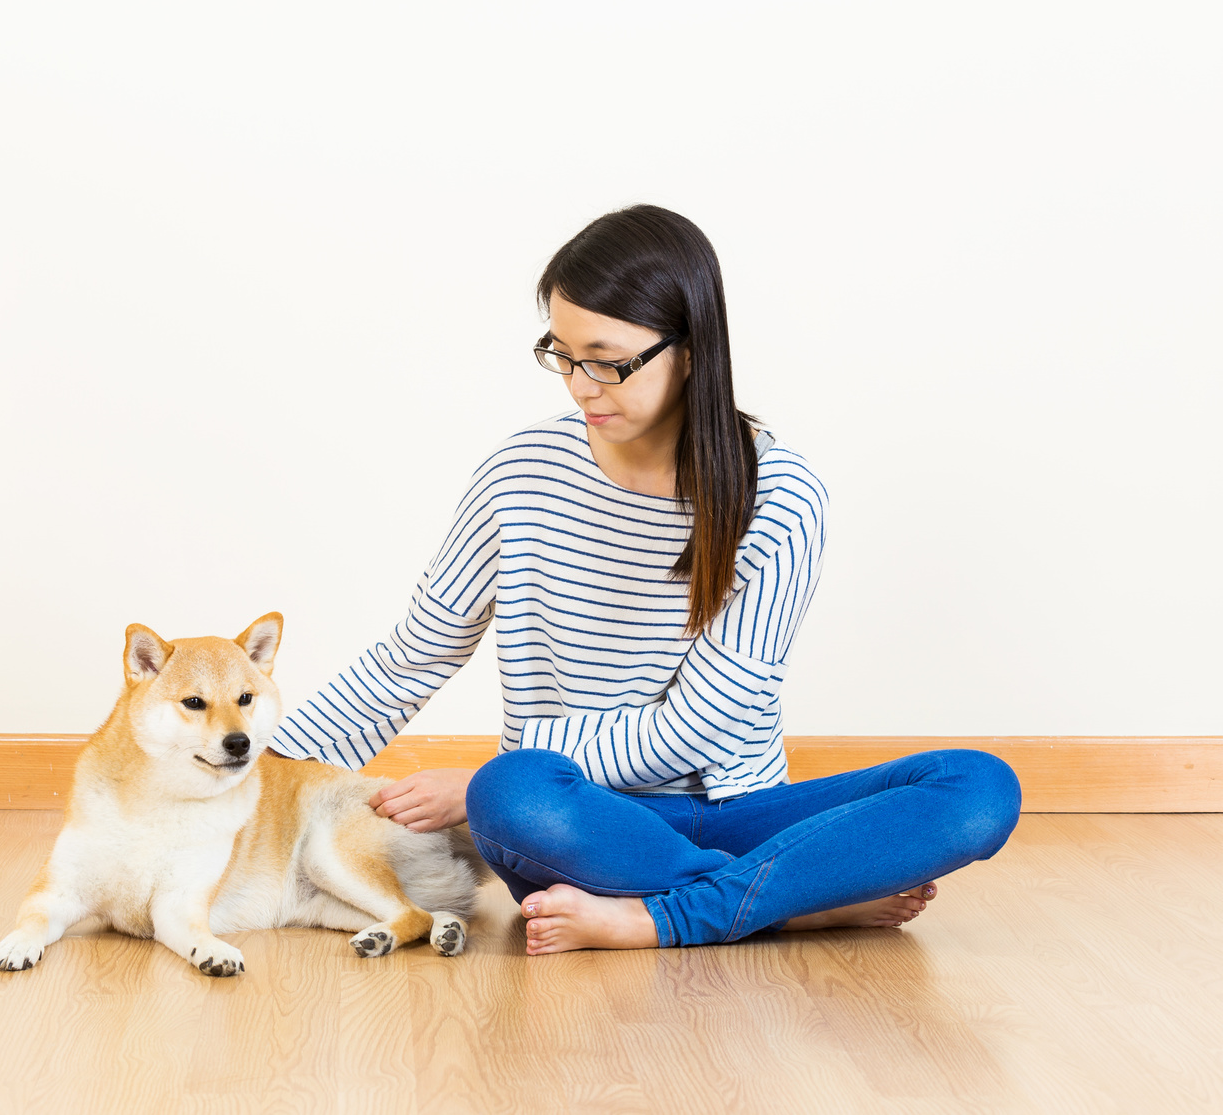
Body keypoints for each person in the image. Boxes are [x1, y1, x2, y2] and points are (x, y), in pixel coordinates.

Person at [267, 205, 1022, 953]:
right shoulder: (520, 474)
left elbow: (699, 726)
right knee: (511, 792)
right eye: (561, 353)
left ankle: (665, 913)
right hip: (574, 822)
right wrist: (258, 770)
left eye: (606, 359)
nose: (580, 385)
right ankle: (782, 900)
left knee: (978, 787)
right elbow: (414, 654)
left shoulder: (782, 499)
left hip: (739, 805)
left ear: (690, 350)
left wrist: (471, 780)